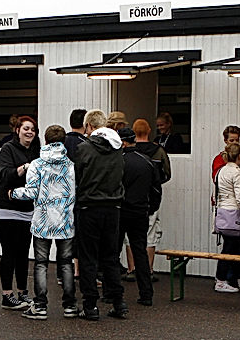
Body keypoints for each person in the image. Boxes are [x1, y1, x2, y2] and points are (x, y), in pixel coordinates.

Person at [9, 125, 77, 319]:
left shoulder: (37, 164)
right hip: (65, 221)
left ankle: (40, 306)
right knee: (65, 263)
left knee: (41, 264)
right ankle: (70, 306)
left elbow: (30, 192)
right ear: (63, 142)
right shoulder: (70, 165)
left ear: (45, 141)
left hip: (43, 222)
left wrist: (13, 193)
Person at [73, 109, 126, 320]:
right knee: (111, 256)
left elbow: (77, 176)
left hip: (89, 207)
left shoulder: (84, 148)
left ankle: (90, 305)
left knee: (88, 258)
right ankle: (118, 302)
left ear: (89, 127)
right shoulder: (117, 148)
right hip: (113, 208)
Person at [0, 115, 39, 310]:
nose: (29, 132)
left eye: (33, 130)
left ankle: (23, 292)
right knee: (9, 251)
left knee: (23, 252)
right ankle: (7, 295)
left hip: (26, 208)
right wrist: (26, 168)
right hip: (6, 207)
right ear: (17, 130)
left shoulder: (36, 151)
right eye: (26, 128)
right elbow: (5, 174)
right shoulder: (8, 149)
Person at [119, 127, 161, 306]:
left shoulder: (118, 162)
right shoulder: (147, 162)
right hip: (140, 211)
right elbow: (157, 189)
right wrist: (151, 208)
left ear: (122, 142)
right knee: (140, 251)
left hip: (120, 211)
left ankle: (112, 292)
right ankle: (146, 293)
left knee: (113, 251)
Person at [126, 118, 170, 280]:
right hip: (151, 198)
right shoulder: (158, 151)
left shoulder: (129, 152)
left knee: (129, 235)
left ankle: (132, 269)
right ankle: (148, 269)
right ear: (149, 131)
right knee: (150, 233)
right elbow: (167, 173)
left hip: (130, 199)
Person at [213, 142, 240, 292]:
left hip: (222, 212)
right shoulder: (237, 173)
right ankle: (220, 280)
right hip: (234, 213)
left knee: (232, 247)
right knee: (230, 249)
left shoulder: (220, 171)